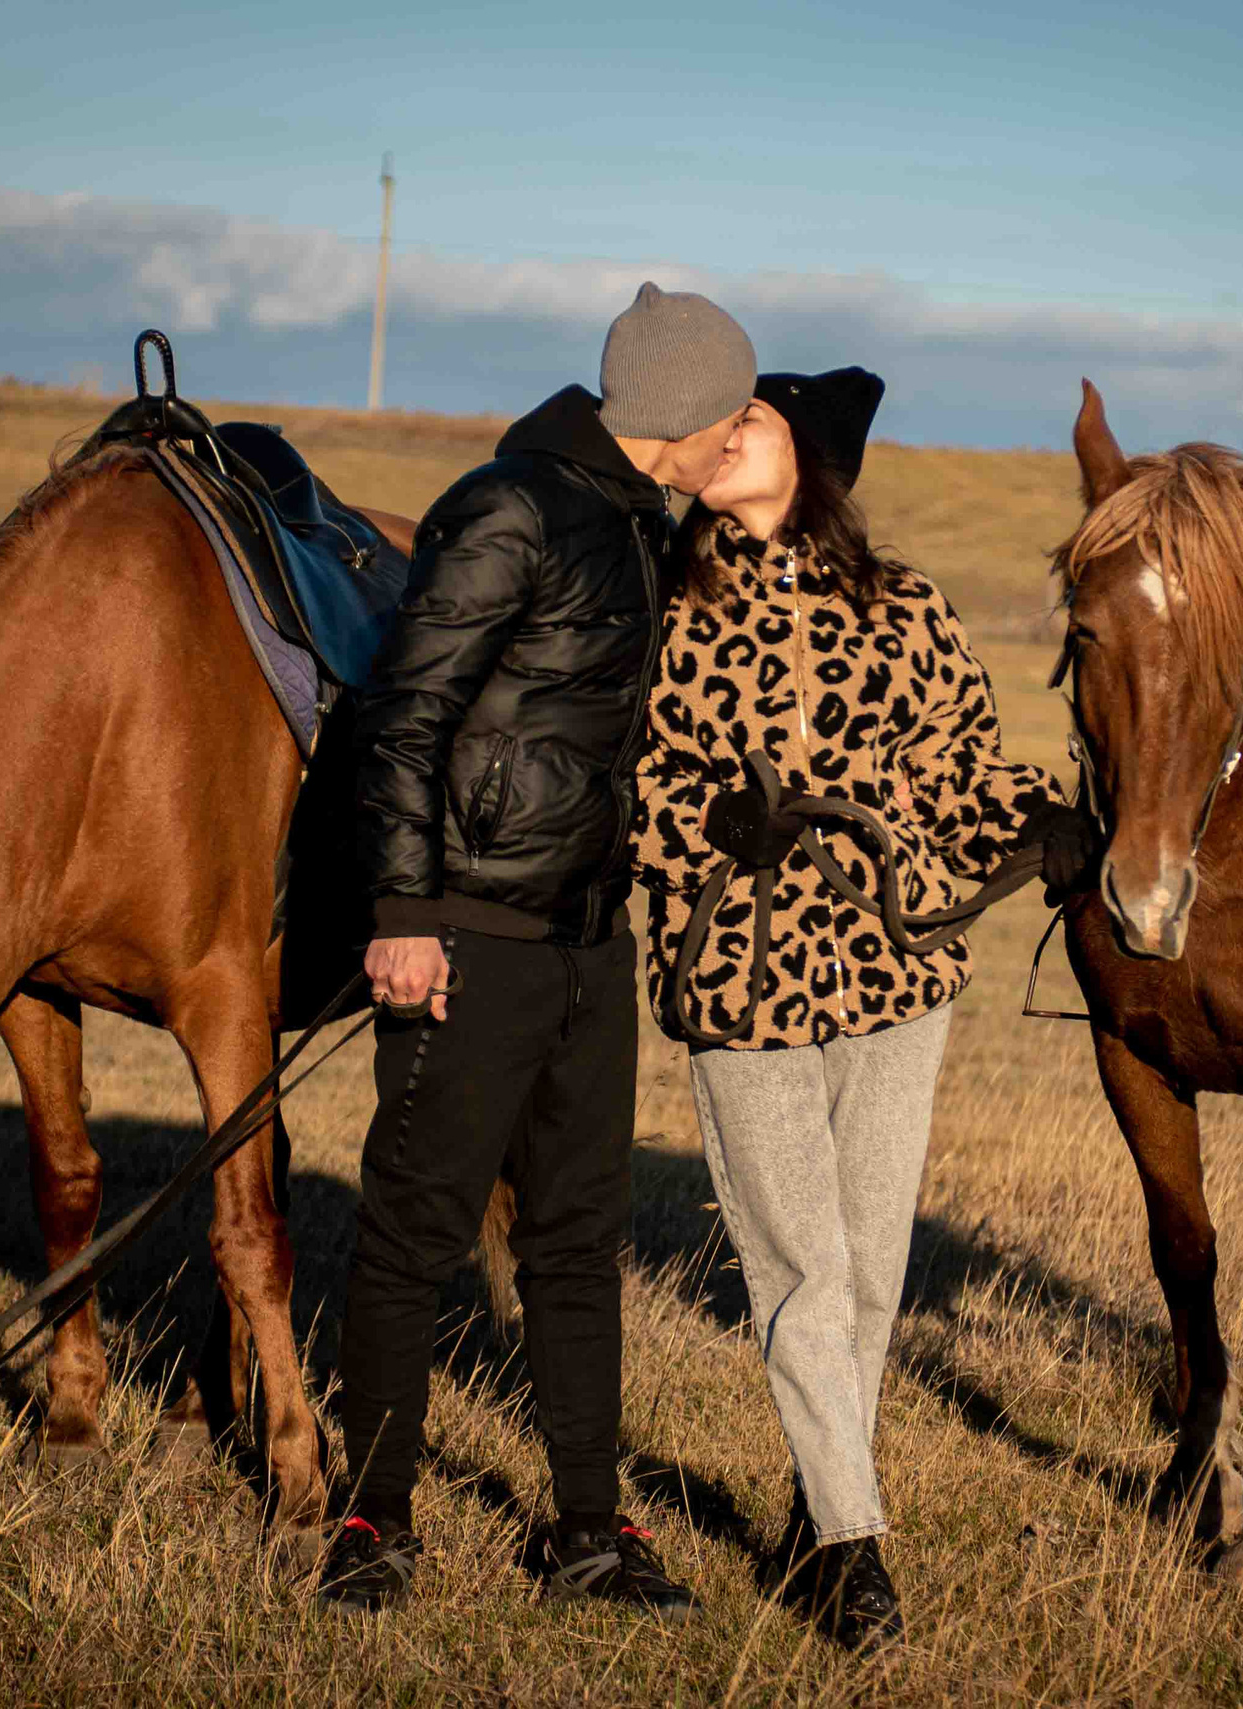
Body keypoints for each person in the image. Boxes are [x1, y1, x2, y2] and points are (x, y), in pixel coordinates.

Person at [631, 369, 1098, 1648]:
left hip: (897, 975)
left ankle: (808, 1514)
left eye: (755, 420)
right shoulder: (660, 608)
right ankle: (855, 1547)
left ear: (813, 457)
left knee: (873, 1274)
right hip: (738, 978)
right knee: (800, 1272)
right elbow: (623, 783)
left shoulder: (906, 610)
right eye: (720, 422)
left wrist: (1039, 820)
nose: (726, 436)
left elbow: (956, 766)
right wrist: (713, 820)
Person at [319, 283, 756, 1617]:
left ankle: (585, 1529)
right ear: (682, 414)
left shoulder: (637, 523)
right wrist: (400, 918)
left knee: (574, 1245)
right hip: (471, 938)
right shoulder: (513, 506)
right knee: (413, 1238)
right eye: (731, 414)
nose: (742, 434)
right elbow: (403, 715)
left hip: (587, 944)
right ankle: (371, 1520)